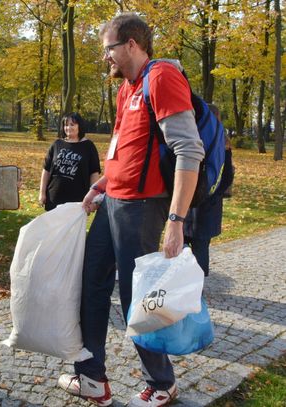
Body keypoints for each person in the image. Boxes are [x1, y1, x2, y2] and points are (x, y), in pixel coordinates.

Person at [57, 13, 205, 407]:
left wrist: (175, 220)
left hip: (143, 208)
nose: (105, 57)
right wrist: (100, 187)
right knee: (91, 283)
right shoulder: (127, 88)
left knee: (135, 297)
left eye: (108, 48)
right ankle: (91, 377)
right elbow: (123, 150)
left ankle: (162, 382)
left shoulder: (162, 77)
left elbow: (189, 151)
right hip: (113, 202)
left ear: (131, 45)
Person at [184, 104, 234, 276]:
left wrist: (212, 192)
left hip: (204, 204)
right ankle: (187, 283)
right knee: (190, 244)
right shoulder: (195, 139)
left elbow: (227, 175)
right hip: (193, 203)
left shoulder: (222, 144)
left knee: (199, 246)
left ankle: (197, 287)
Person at [39, 112, 101, 211]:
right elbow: (46, 170)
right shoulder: (56, 144)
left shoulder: (88, 146)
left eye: (72, 124)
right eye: (66, 125)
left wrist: (92, 196)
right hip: (54, 198)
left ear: (79, 126)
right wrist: (42, 193)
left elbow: (94, 173)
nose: (68, 127)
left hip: (77, 201)